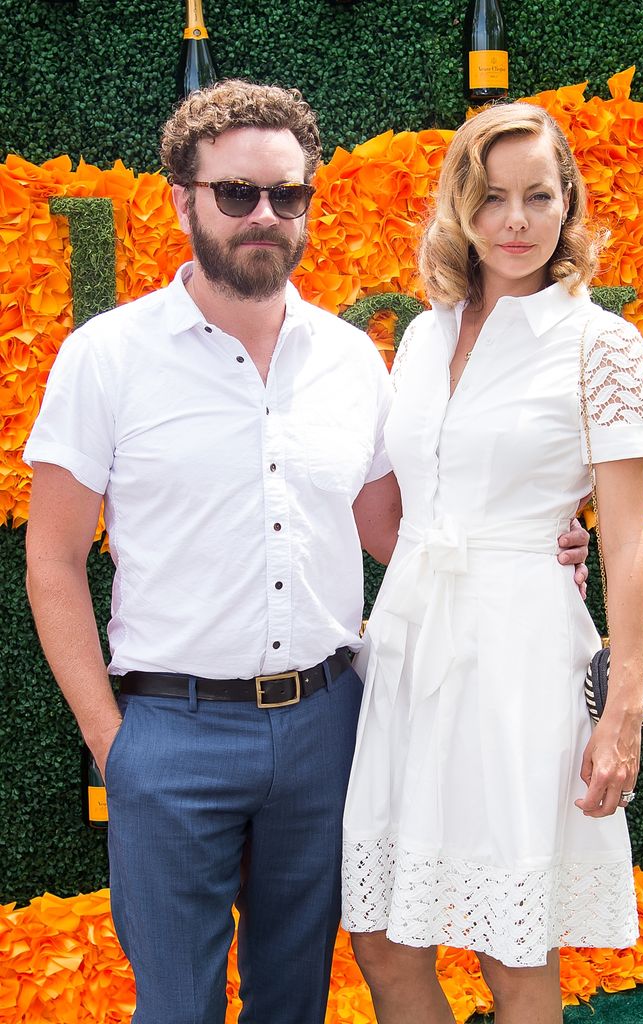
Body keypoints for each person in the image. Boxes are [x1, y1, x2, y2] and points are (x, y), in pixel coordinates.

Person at [23, 81, 589, 1024]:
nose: (263, 215)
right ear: (183, 200)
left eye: (287, 195)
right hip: (169, 731)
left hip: (329, 728)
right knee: (177, 1007)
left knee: (296, 1003)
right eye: (237, 193)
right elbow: (50, 563)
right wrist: (109, 740)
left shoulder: (350, 358)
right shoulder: (105, 357)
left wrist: (527, 546)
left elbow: (389, 528)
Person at [341, 102, 643, 1024]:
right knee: (382, 939)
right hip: (407, 650)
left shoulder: (602, 346)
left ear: (569, 207)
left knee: (510, 945)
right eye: (491, 199)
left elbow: (628, 539)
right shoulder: (422, 335)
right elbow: (400, 506)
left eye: (537, 197)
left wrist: (622, 713)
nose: (514, 221)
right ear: (459, 207)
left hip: (521, 659)